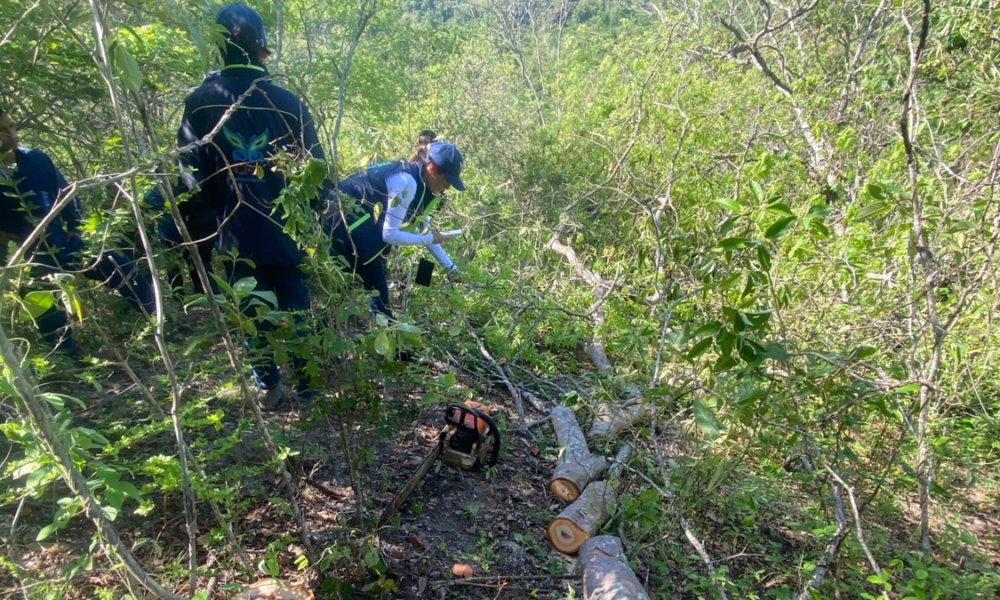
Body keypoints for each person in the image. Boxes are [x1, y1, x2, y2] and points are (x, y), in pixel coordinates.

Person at [177, 3, 330, 408]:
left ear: (218, 46)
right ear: (262, 47)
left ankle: (270, 386)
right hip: (286, 231)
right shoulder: (287, 101)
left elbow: (190, 180)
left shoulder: (201, 103)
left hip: (235, 234)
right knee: (296, 309)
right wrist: (315, 215)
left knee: (252, 314)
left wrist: (206, 231)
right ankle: (308, 385)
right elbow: (316, 172)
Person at [0, 108, 155, 355]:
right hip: (25, 257)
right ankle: (67, 358)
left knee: (116, 263)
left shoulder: (36, 159)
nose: (11, 134)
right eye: (2, 130)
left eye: (11, 126)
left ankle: (156, 319)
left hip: (61, 242)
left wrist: (75, 228)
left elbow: (67, 194)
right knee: (47, 309)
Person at [325, 140, 465, 318]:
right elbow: (389, 234)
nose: (448, 187)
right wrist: (430, 237)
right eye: (447, 180)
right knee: (370, 288)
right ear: (432, 169)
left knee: (366, 283)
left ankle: (342, 320)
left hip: (358, 225)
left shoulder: (421, 185)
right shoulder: (407, 182)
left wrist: (451, 267)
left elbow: (424, 230)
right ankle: (379, 325)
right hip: (339, 221)